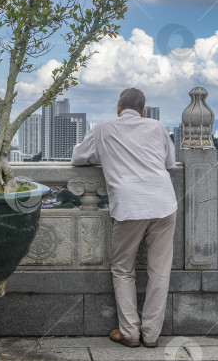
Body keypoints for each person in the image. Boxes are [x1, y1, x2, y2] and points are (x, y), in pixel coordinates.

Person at [71, 87, 177, 348]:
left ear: (118, 108)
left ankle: (130, 332)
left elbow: (78, 157)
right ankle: (151, 335)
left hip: (129, 205)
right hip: (164, 202)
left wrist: (109, 155)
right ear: (143, 111)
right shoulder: (157, 127)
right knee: (159, 271)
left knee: (122, 269)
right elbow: (170, 163)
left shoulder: (104, 128)